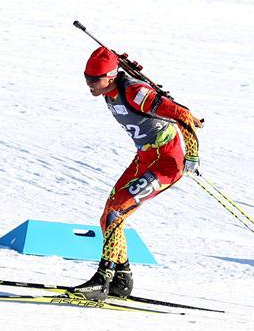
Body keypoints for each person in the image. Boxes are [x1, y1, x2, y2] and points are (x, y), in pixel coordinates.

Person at [70, 46, 204, 301]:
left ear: (110, 76)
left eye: (94, 80)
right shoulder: (111, 87)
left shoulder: (135, 92)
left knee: (116, 213)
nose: (89, 85)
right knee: (108, 216)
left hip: (166, 163)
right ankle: (122, 279)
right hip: (144, 158)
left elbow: (183, 115)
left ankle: (103, 279)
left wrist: (192, 156)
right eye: (86, 78)